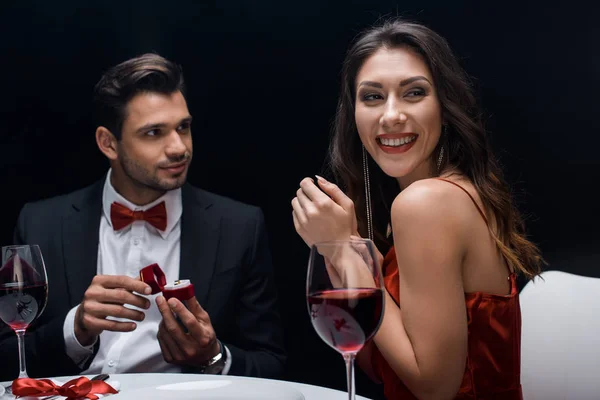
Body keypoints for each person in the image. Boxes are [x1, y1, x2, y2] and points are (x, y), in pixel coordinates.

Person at [292, 18, 543, 399]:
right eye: (372, 97)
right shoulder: (455, 192)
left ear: (445, 105)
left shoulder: (425, 204)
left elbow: (434, 387)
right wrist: (354, 252)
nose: (391, 115)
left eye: (413, 93)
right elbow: (379, 361)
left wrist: (343, 247)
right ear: (354, 113)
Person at [0, 53, 286, 380]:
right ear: (108, 143)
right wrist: (74, 328)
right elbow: (7, 355)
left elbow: (272, 364)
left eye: (184, 127)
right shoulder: (40, 223)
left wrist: (213, 356)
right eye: (154, 133)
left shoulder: (240, 227)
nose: (179, 147)